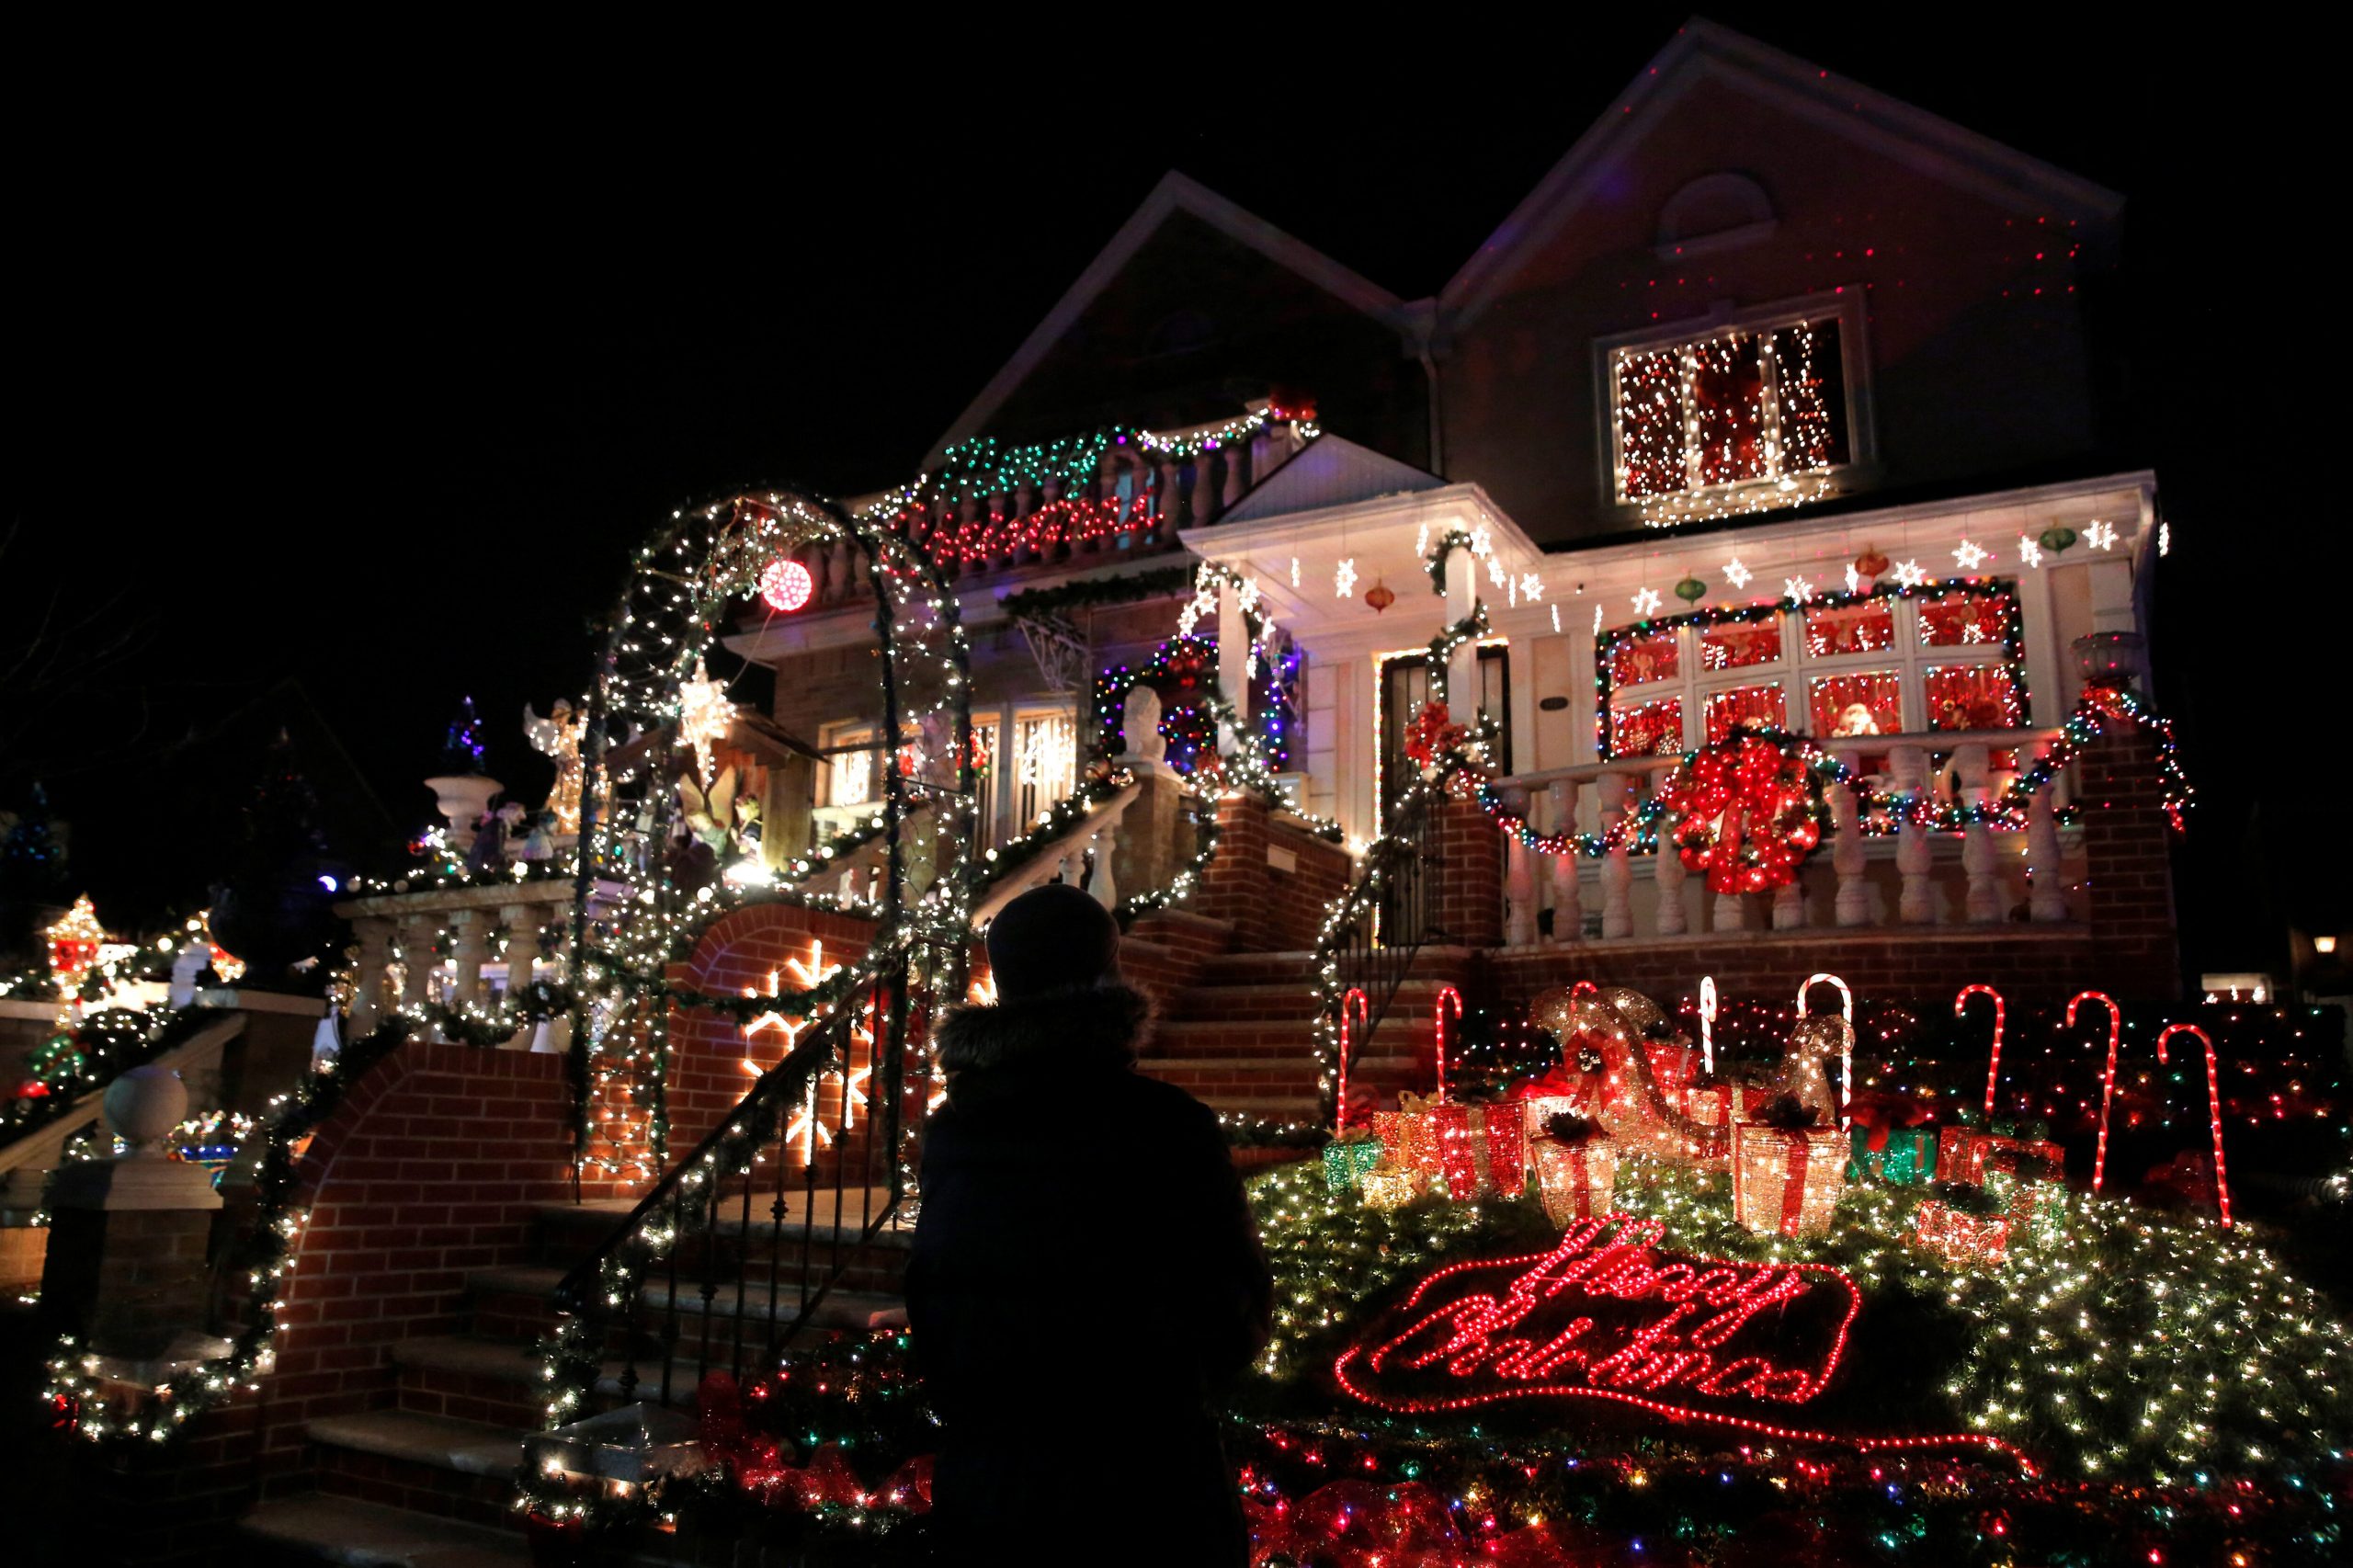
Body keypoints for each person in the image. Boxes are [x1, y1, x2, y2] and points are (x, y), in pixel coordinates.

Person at [907, 883, 1273, 1564]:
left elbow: (933, 1301)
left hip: (993, 1481)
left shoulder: (956, 1132)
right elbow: (1236, 1304)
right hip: (1146, 1482)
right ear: (1108, 973)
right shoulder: (1167, 1125)